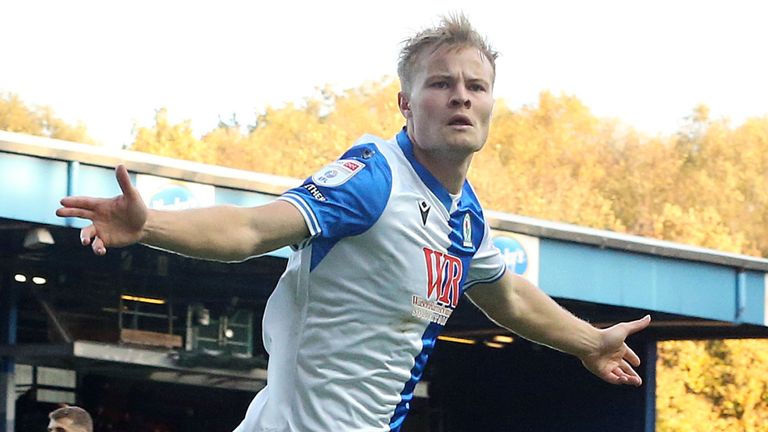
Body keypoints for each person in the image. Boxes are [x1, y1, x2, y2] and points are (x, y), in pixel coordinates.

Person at [57, 13, 651, 432]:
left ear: (493, 103)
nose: (461, 98)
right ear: (406, 103)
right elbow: (253, 231)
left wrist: (590, 342)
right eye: (441, 84)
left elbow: (509, 298)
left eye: (476, 87)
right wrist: (150, 225)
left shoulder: (465, 218)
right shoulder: (374, 177)